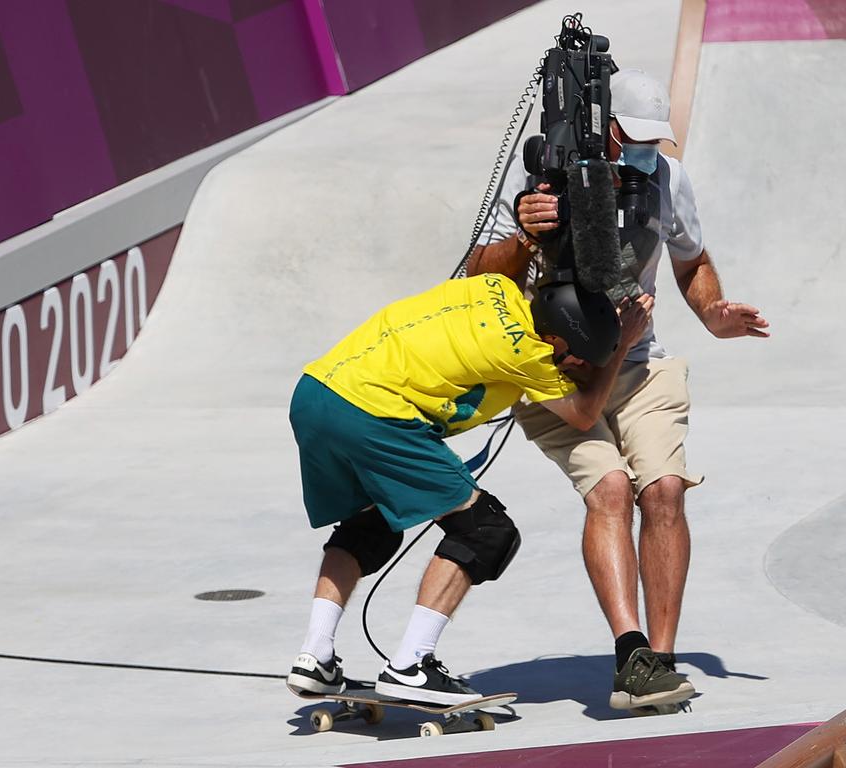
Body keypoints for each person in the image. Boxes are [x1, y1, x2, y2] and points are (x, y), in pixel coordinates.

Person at [466, 68, 770, 710]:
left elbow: (693, 261)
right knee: (609, 489)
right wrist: (528, 233)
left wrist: (714, 315)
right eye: (631, 138)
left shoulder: (667, 180)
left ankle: (657, 659)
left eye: (654, 142)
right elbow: (478, 275)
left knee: (662, 490)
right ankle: (628, 648)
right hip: (557, 368)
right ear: (602, 127)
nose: (642, 153)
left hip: (638, 361)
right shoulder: (543, 180)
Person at [285, 271, 653, 705]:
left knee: (371, 527)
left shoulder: (493, 285)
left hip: (315, 394)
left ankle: (315, 656)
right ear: (555, 342)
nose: (579, 370)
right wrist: (622, 345)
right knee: (485, 532)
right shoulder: (528, 354)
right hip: (375, 413)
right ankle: (410, 666)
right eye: (577, 360)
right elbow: (583, 413)